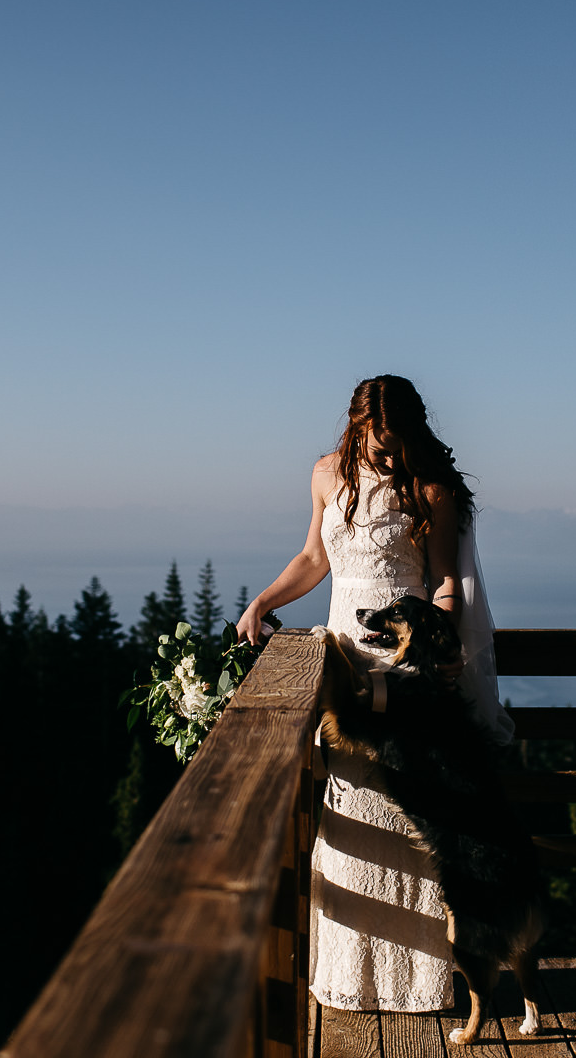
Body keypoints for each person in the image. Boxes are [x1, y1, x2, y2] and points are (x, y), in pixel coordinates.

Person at [237, 374, 514, 1015]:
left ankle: (416, 981)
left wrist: (442, 643)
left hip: (405, 664)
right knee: (350, 805)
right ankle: (352, 977)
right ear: (356, 427)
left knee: (408, 809)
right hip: (343, 662)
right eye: (376, 442)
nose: (386, 457)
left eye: (397, 444)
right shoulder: (325, 475)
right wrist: (262, 601)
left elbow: (444, 579)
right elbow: (314, 557)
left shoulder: (429, 489)